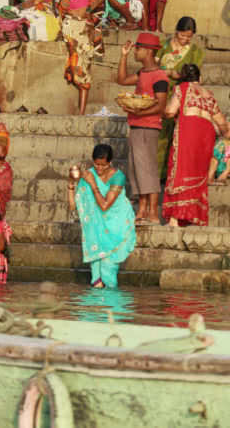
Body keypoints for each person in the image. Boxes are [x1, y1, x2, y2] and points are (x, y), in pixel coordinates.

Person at [162, 64, 230, 227]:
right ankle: (193, 216)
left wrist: (162, 113)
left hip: (189, 130)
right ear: (200, 79)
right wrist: (227, 135)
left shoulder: (181, 88)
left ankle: (175, 218)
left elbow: (171, 111)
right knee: (197, 174)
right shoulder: (209, 94)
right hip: (206, 134)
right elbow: (221, 121)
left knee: (180, 170)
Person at [116, 35, 169, 224]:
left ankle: (153, 212)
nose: (135, 52)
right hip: (137, 125)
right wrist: (123, 56)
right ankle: (142, 209)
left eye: (137, 49)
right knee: (136, 169)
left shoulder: (159, 76)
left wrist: (137, 112)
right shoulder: (142, 73)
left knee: (148, 170)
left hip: (149, 127)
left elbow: (161, 107)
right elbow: (121, 79)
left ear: (147, 51)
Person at [67, 144, 136, 288]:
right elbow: (74, 206)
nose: (99, 169)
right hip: (96, 231)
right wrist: (71, 183)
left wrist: (93, 184)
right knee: (97, 281)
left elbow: (104, 206)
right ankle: (96, 307)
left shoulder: (118, 177)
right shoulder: (89, 174)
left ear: (110, 163)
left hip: (117, 226)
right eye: (96, 164)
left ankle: (113, 307)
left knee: (108, 270)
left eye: (103, 166)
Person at [156, 16, 204, 179]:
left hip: (180, 97)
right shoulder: (163, 45)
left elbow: (196, 75)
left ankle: (171, 174)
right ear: (176, 32)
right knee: (160, 136)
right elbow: (152, 67)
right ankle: (157, 174)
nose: (184, 40)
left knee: (176, 138)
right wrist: (168, 72)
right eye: (182, 35)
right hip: (160, 94)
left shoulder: (196, 52)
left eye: (188, 37)